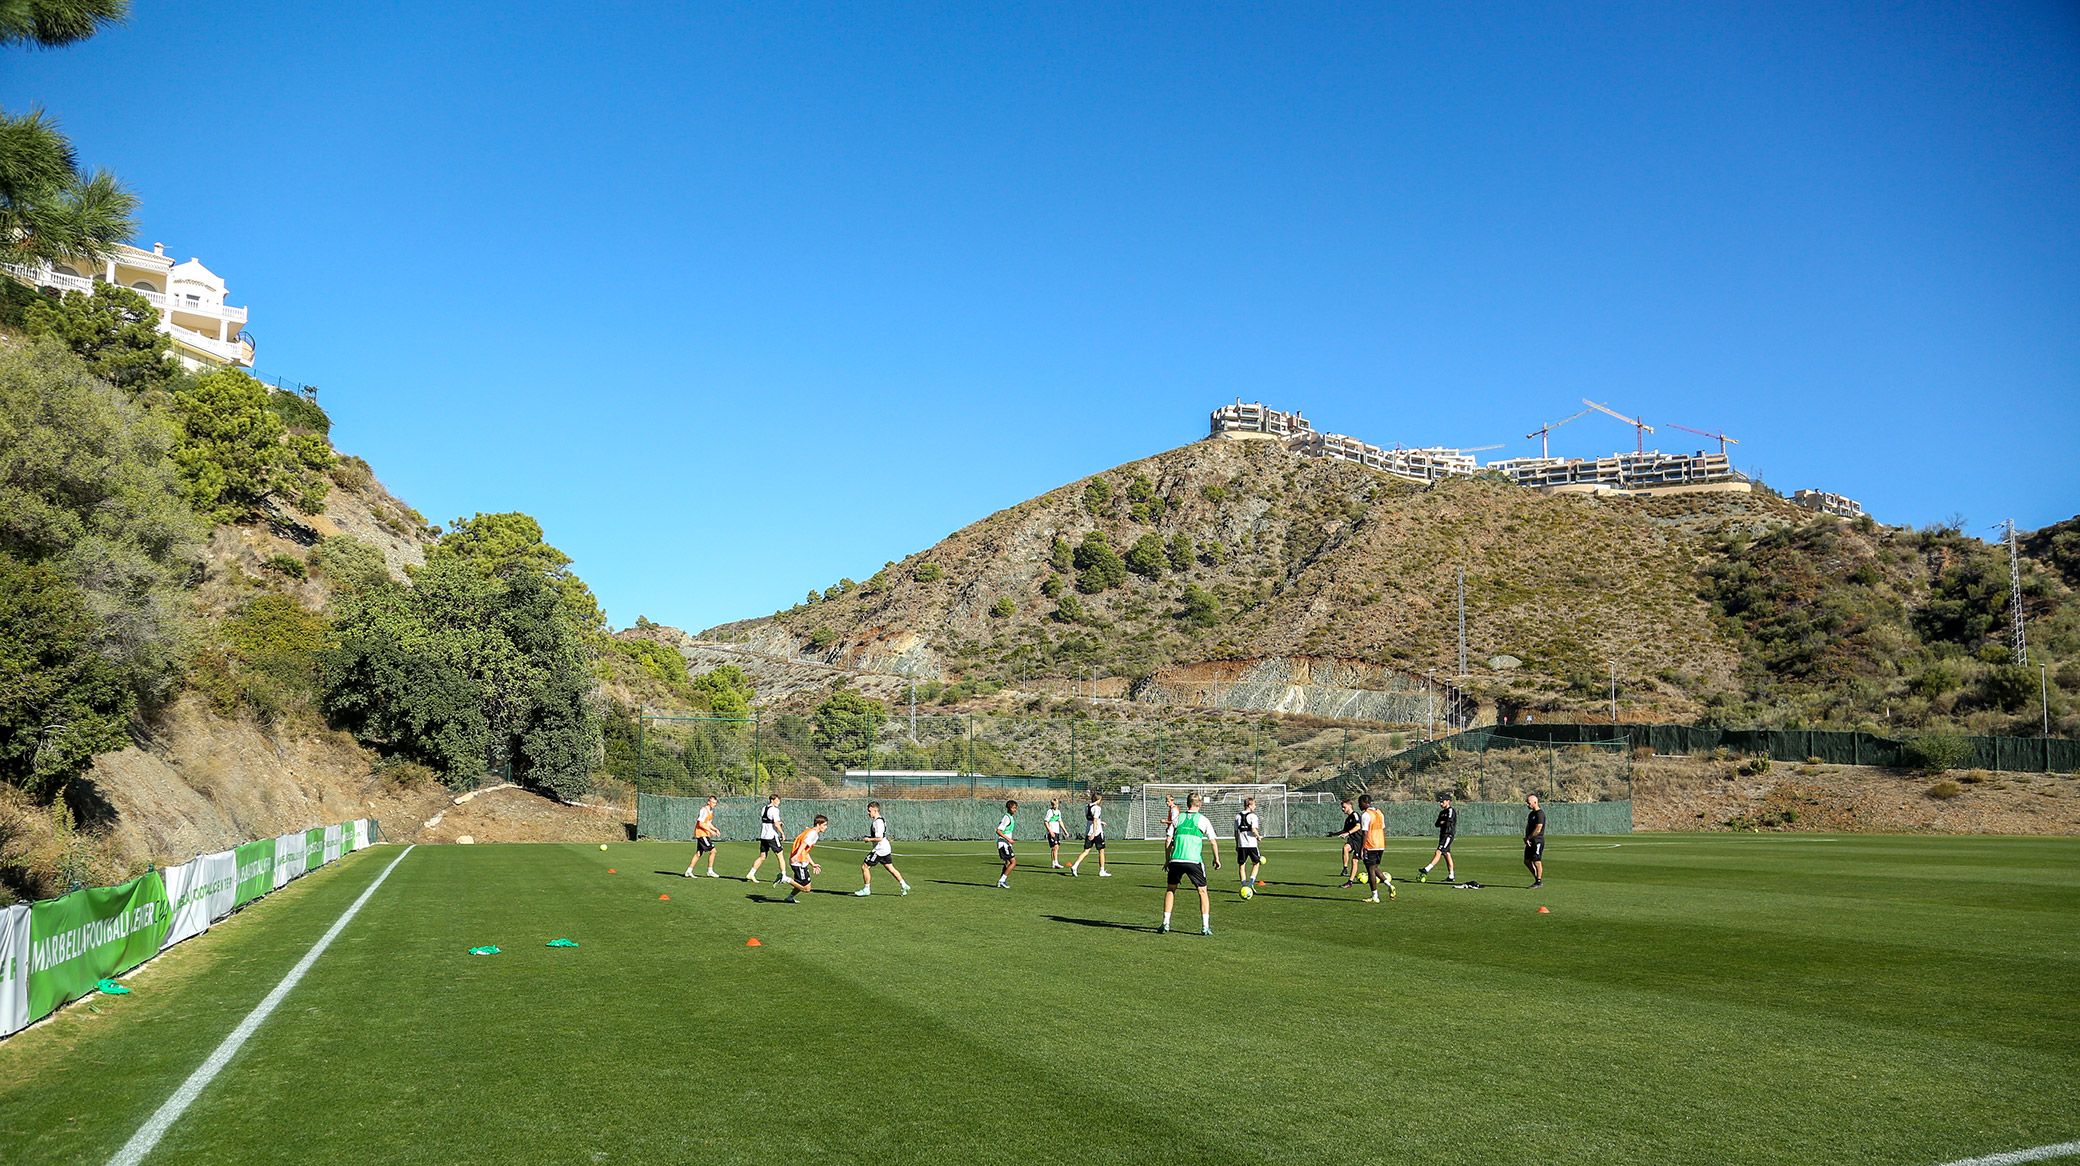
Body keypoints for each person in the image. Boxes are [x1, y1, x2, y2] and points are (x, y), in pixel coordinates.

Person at [1160, 793, 1222, 935]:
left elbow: (1168, 841)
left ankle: (1165, 923)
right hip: (1193, 861)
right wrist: (1216, 859)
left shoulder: (1177, 819)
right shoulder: (1203, 820)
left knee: (1171, 890)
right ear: (1199, 804)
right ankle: (1205, 926)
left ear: (1187, 803)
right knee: (1202, 892)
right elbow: (1213, 841)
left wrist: (1167, 859)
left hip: (1176, 860)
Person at [1337, 794, 1393, 903]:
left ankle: (1375, 896)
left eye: (1359, 803)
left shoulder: (1366, 815)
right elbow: (1383, 828)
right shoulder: (1379, 812)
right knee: (1374, 867)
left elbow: (1365, 833)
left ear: (1364, 802)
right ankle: (1388, 884)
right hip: (1381, 844)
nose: (1359, 805)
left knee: (1370, 870)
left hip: (1370, 844)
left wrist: (1363, 848)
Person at [854, 801, 910, 897]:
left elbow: (879, 837)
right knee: (890, 868)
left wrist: (868, 839)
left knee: (865, 866)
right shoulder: (880, 820)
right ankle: (904, 885)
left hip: (880, 849)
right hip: (885, 848)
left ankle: (866, 889)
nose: (868, 813)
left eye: (869, 811)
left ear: (875, 810)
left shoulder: (878, 822)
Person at [782, 814, 828, 903]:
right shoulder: (813, 834)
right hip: (799, 862)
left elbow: (805, 851)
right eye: (825, 825)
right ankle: (785, 879)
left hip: (800, 861)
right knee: (806, 889)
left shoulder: (809, 831)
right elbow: (803, 844)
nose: (826, 827)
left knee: (801, 884)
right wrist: (796, 856)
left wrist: (813, 864)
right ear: (818, 824)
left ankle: (790, 897)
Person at [1068, 792, 1112, 877]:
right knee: (1101, 851)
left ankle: (1075, 866)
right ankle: (1101, 871)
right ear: (1098, 799)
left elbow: (1091, 819)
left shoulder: (1087, 807)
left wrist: (1100, 822)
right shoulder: (1097, 808)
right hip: (1097, 832)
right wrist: (1094, 832)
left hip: (1088, 831)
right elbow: (1095, 820)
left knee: (1086, 851)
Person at [745, 794, 786, 884]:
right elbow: (775, 823)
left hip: (764, 836)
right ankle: (783, 876)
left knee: (762, 856)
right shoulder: (775, 810)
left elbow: (768, 820)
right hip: (772, 836)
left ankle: (751, 873)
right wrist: (782, 833)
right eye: (777, 800)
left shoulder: (764, 808)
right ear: (772, 800)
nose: (779, 802)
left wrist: (779, 823)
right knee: (780, 855)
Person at [1418, 794, 1457, 884]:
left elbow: (1449, 822)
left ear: (1448, 801)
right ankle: (1451, 876)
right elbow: (1437, 824)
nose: (1440, 803)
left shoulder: (1451, 810)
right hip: (1442, 835)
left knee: (1438, 851)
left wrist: (1443, 822)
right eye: (1440, 802)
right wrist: (1442, 822)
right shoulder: (1442, 813)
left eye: (1442, 801)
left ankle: (1427, 869)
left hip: (1448, 835)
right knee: (1447, 854)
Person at [683, 795, 723, 878]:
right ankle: (710, 871)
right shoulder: (704, 810)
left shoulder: (710, 811)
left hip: (704, 834)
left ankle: (688, 871)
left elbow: (708, 823)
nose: (714, 804)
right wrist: (710, 831)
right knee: (713, 851)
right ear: (708, 802)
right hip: (701, 834)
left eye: (715, 803)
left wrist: (715, 829)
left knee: (698, 853)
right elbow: (700, 823)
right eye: (713, 802)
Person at [1234, 796, 1266, 890]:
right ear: (1250, 805)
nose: (1255, 807)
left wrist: (1237, 844)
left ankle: (1244, 886)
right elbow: (1253, 829)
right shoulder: (1253, 816)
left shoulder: (1237, 816)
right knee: (1256, 863)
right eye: (1254, 805)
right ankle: (1251, 883)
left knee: (1241, 865)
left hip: (1241, 845)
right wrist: (1258, 836)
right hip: (1252, 845)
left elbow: (1236, 833)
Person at [1332, 799, 1360, 884]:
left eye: (1344, 807)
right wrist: (1334, 834)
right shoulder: (1348, 819)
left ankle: (1373, 874)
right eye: (1342, 807)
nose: (1342, 809)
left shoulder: (1355, 814)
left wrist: (1348, 833)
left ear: (1350, 805)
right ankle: (1345, 869)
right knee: (1345, 848)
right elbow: (1344, 830)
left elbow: (1358, 826)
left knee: (1355, 860)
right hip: (1352, 840)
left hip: (1360, 840)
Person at [995, 799, 1018, 889]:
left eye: (1016, 808)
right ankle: (1002, 880)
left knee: (1008, 862)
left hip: (1005, 844)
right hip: (1003, 843)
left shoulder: (1010, 817)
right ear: (1009, 808)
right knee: (1013, 862)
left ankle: (1001, 881)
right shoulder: (1007, 818)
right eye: (1014, 808)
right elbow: (998, 830)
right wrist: (1009, 839)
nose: (1015, 810)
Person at [1524, 794, 1545, 888]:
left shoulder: (1540, 814)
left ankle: (1539, 881)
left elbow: (1538, 828)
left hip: (1537, 841)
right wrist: (1526, 838)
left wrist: (1529, 837)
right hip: (1530, 841)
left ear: (1535, 802)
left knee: (1536, 860)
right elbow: (1528, 827)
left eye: (1529, 803)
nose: (1527, 805)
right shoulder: (1531, 814)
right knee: (1527, 861)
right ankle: (1537, 878)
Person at [1045, 798, 1066, 868]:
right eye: (1054, 804)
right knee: (1055, 846)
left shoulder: (1059, 812)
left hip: (1057, 832)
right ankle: (1056, 862)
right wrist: (1050, 831)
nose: (1055, 806)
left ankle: (1053, 863)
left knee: (1055, 847)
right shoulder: (1050, 811)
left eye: (1056, 804)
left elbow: (1060, 821)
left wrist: (1065, 831)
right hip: (1052, 832)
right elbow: (1045, 822)